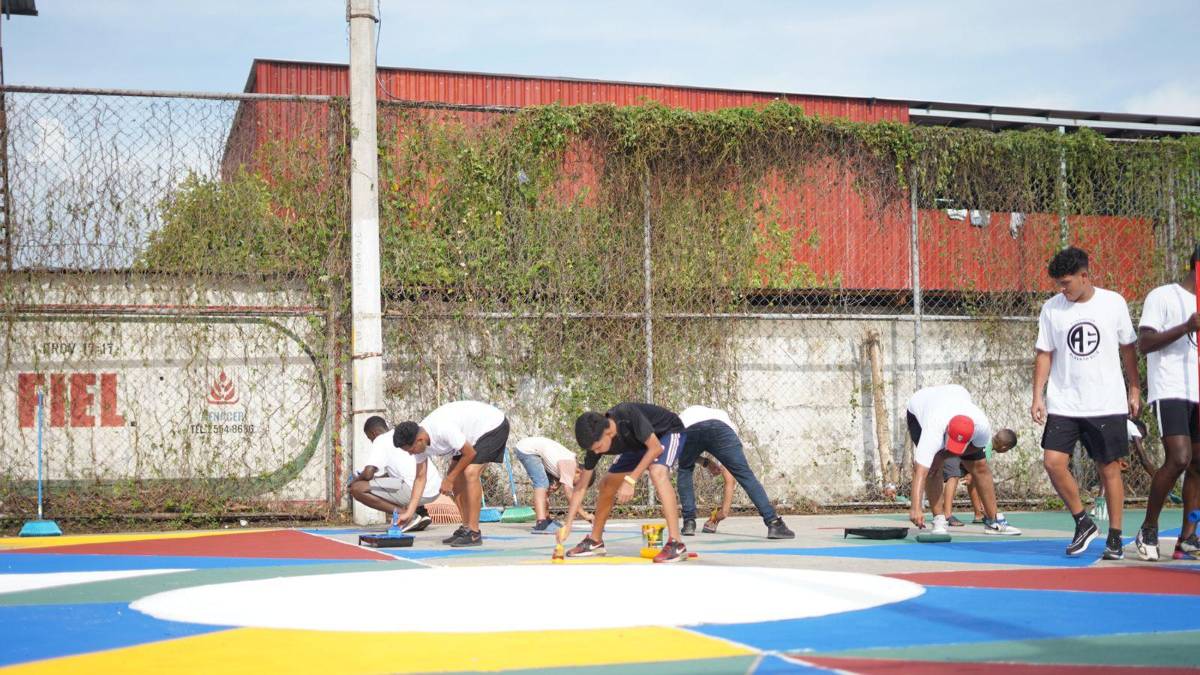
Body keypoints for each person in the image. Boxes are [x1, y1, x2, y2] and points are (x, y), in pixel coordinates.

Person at [1031, 246, 1141, 559]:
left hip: (1105, 401)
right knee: (1053, 462)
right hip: (1065, 401)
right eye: (1058, 284)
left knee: (1108, 469)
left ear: (1084, 276)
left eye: (1066, 283)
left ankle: (1116, 537)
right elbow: (1044, 353)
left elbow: (1129, 348)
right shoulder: (1052, 308)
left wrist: (1134, 387)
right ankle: (1083, 521)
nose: (1061, 289)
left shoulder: (1113, 303)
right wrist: (1038, 395)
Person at [1134, 248, 1200, 561]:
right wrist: (1186, 327)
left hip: (1197, 390)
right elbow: (1144, 343)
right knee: (1179, 458)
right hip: (1171, 388)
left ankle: (1188, 538)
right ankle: (1148, 527)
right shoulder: (1163, 296)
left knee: (1198, 464)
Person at [561, 402, 689, 563]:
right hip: (638, 445)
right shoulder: (596, 441)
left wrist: (631, 480)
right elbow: (580, 487)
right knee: (607, 484)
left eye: (599, 447)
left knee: (657, 472)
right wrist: (568, 524)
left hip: (667, 433)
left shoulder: (627, 415)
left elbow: (656, 448)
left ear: (608, 432)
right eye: (593, 450)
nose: (597, 452)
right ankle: (595, 541)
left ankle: (676, 544)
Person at [906, 384, 1021, 536]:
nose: (955, 451)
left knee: (980, 466)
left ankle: (994, 521)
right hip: (920, 406)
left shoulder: (981, 426)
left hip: (956, 393)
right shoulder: (933, 430)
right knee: (934, 467)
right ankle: (939, 520)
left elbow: (976, 450)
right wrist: (916, 507)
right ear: (946, 431)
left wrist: (944, 455)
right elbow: (920, 470)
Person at [392, 400, 510, 547]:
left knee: (470, 473)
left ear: (419, 440)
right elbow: (420, 478)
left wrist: (449, 479)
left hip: (493, 426)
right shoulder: (419, 442)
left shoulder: (442, 429)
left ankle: (474, 533)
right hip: (470, 437)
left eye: (410, 450)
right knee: (456, 477)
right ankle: (466, 527)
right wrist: (410, 512)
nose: (410, 454)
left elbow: (470, 453)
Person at [677, 405, 795, 539]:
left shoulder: (686, 415)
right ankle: (774, 523)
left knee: (685, 469)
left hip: (690, 430)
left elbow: (681, 453)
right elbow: (730, 478)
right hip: (721, 430)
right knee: (745, 475)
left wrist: (706, 463)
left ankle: (689, 523)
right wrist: (723, 512)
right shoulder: (724, 419)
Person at [348, 416, 440, 532]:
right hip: (434, 488)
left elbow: (368, 473)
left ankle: (408, 516)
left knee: (357, 489)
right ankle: (421, 513)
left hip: (417, 488)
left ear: (374, 432)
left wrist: (355, 480)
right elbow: (393, 478)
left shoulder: (381, 440)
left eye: (369, 438)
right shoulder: (400, 436)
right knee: (399, 481)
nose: (371, 441)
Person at [512, 435, 593, 534]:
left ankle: (546, 519)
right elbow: (570, 495)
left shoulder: (569, 462)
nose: (575, 486)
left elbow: (555, 465)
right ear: (579, 472)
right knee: (541, 483)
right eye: (578, 483)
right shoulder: (570, 464)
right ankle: (541, 523)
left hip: (531, 449)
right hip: (528, 450)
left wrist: (557, 482)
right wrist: (584, 514)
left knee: (548, 488)